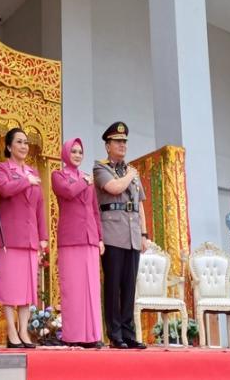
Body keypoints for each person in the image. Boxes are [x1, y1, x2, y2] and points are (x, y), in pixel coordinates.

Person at [93, 121, 148, 350]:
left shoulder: (131, 171)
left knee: (129, 287)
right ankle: (115, 334)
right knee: (113, 286)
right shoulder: (101, 168)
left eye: (124, 141)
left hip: (133, 234)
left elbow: (140, 205)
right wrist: (130, 175)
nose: (122, 145)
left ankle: (129, 333)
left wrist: (144, 233)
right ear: (108, 145)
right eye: (117, 141)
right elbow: (114, 188)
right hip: (113, 233)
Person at [0, 128, 48, 348]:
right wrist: (26, 180)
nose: (24, 146)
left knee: (27, 289)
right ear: (9, 146)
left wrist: (43, 236)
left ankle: (24, 331)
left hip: (30, 239)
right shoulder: (2, 168)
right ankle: (11, 331)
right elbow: (4, 190)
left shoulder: (33, 172)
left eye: (26, 142)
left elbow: (39, 206)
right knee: (9, 287)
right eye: (19, 142)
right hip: (9, 237)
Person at [51, 138, 105, 348]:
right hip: (71, 238)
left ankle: (93, 336)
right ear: (66, 154)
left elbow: (94, 210)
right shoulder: (59, 175)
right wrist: (86, 182)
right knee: (73, 288)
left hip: (89, 237)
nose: (77, 154)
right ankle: (73, 336)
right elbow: (68, 191)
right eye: (73, 151)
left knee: (91, 288)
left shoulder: (86, 178)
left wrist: (100, 237)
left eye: (80, 151)